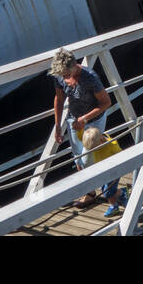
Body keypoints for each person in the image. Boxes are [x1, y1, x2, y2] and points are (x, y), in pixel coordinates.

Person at [50, 47, 112, 206]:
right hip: (73, 120)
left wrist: (85, 119)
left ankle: (113, 189)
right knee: (78, 158)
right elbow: (59, 99)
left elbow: (106, 102)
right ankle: (90, 193)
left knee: (89, 157)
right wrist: (58, 125)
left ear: (74, 66)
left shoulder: (90, 77)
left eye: (66, 75)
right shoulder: (59, 76)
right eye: (61, 76)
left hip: (93, 119)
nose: (64, 78)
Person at [79, 126, 126, 217]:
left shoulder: (112, 145)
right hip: (103, 170)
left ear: (102, 141)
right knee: (105, 190)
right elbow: (80, 137)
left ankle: (114, 205)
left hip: (113, 170)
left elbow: (121, 155)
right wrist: (79, 129)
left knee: (107, 192)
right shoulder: (97, 141)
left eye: (95, 148)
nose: (94, 150)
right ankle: (121, 194)